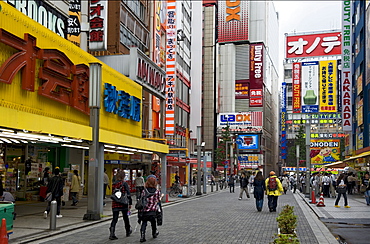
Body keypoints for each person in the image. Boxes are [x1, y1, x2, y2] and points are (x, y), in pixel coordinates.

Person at [109, 170, 132, 240]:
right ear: (123, 176)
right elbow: (128, 193)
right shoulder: (124, 183)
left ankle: (112, 233)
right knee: (125, 217)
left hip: (115, 203)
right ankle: (128, 231)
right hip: (123, 203)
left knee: (114, 218)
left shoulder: (113, 184)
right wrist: (130, 203)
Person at [138, 177, 161, 242]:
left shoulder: (144, 191)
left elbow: (142, 200)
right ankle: (154, 233)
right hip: (153, 211)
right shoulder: (157, 192)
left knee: (144, 223)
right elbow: (157, 200)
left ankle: (142, 236)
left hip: (145, 210)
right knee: (153, 222)